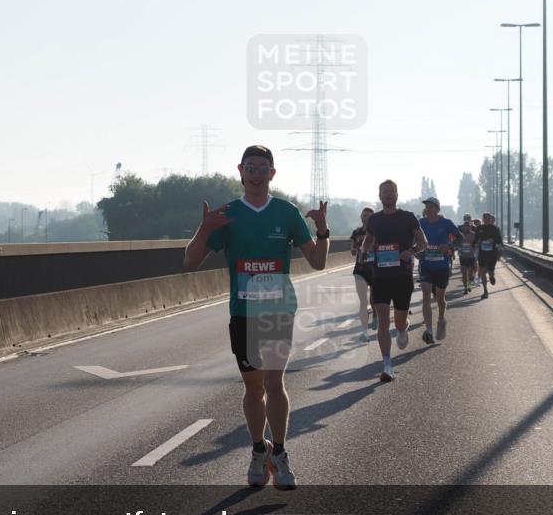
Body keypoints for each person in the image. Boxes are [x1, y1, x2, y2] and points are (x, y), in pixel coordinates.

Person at [183, 145, 329, 489]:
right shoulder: (228, 214)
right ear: (241, 171)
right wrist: (204, 230)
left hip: (278, 309)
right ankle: (257, 449)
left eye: (264, 168)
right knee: (253, 387)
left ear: (272, 174)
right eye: (251, 167)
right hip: (243, 312)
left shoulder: (287, 212)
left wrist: (322, 230)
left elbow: (319, 262)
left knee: (275, 383)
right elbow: (189, 262)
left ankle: (279, 452)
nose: (257, 174)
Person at [360, 179, 427, 382]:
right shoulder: (374, 220)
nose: (388, 194)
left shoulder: (408, 218)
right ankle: (387, 365)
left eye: (392, 191)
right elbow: (368, 241)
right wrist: (365, 250)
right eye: (385, 192)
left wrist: (412, 251)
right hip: (380, 276)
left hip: (402, 276)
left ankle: (403, 327)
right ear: (379, 196)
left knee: (398, 321)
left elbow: (423, 242)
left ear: (397, 195)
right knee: (382, 320)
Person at [418, 197, 462, 343]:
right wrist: (415, 249)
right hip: (426, 265)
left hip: (442, 266)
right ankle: (429, 330)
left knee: (440, 298)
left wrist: (449, 247)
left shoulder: (446, 223)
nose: (428, 209)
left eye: (431, 206)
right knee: (425, 295)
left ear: (437, 209)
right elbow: (413, 239)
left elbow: (460, 239)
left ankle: (441, 320)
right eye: (426, 206)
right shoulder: (421, 223)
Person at [349, 207, 377, 339]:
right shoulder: (356, 232)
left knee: (374, 298)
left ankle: (376, 315)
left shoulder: (378, 232)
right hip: (360, 269)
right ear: (361, 217)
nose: (365, 218)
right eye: (364, 215)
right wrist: (354, 251)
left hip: (375, 268)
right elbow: (353, 248)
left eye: (368, 216)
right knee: (363, 301)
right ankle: (364, 331)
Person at [474, 212, 503, 300]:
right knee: (482, 272)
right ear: (483, 219)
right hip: (482, 254)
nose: (486, 219)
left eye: (488, 218)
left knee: (490, 271)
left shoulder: (495, 229)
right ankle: (485, 291)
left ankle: (491, 276)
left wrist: (493, 240)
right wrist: (475, 244)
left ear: (490, 219)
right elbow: (475, 239)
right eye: (485, 218)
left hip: (492, 254)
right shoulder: (479, 228)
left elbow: (500, 240)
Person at [458, 214, 478, 294]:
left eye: (468, 226)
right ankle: (466, 288)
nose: (466, 227)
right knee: (463, 273)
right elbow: (456, 243)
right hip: (463, 256)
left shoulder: (474, 235)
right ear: (463, 227)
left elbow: (477, 244)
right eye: (465, 226)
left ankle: (469, 285)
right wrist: (458, 248)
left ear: (470, 227)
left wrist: (474, 249)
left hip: (471, 257)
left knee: (470, 275)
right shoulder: (460, 235)